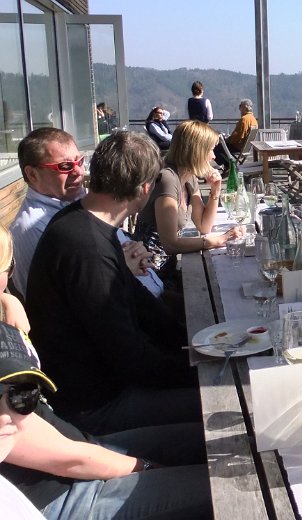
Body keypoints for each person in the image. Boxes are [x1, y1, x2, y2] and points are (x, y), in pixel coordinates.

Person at [25, 131, 201, 435]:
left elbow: (143, 307)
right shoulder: (86, 248)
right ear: (145, 189)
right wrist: (197, 370)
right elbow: (129, 357)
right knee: (229, 410)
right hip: (95, 407)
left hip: (110, 386)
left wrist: (198, 346)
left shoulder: (80, 221)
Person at [0, 321, 212, 519]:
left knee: (204, 437)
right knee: (215, 487)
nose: (5, 417)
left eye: (24, 394)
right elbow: (72, 461)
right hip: (65, 496)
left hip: (84, 448)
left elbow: (71, 452)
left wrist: (10, 301)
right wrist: (146, 467)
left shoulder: (11, 418)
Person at [9, 128, 164, 301]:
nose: (79, 172)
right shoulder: (30, 227)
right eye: (65, 166)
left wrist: (135, 250)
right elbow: (48, 300)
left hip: (152, 296)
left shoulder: (82, 202)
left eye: (80, 161)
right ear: (32, 174)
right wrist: (121, 268)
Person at [133, 120, 241, 282]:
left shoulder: (188, 177)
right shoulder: (167, 179)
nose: (213, 156)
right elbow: (170, 243)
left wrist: (215, 189)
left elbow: (204, 225)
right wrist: (217, 240)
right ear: (196, 152)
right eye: (210, 150)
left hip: (166, 267)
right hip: (149, 274)